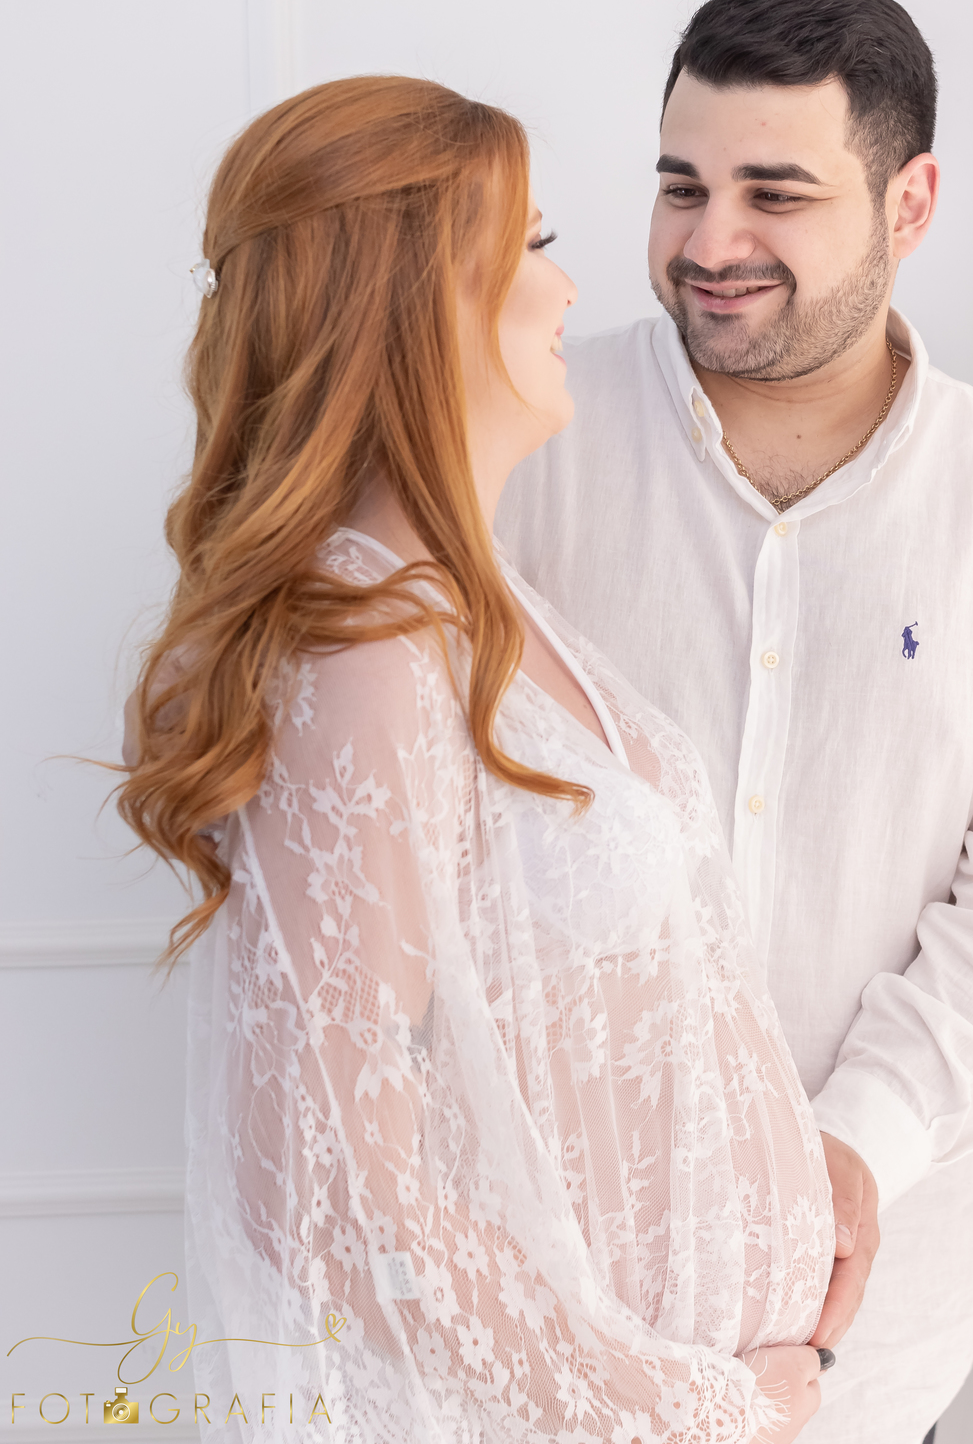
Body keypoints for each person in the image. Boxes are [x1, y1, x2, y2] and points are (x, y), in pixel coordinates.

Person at [117, 76, 838, 1443]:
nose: (570, 294)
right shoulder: (365, 646)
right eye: (537, 247)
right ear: (413, 302)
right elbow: (323, 1181)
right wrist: (686, 1406)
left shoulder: (480, 605)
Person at [496, 0, 973, 1443]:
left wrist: (844, 1148)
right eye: (681, 186)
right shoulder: (522, 446)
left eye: (774, 194)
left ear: (909, 205)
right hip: (542, 1319)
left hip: (857, 1356)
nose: (710, 246)